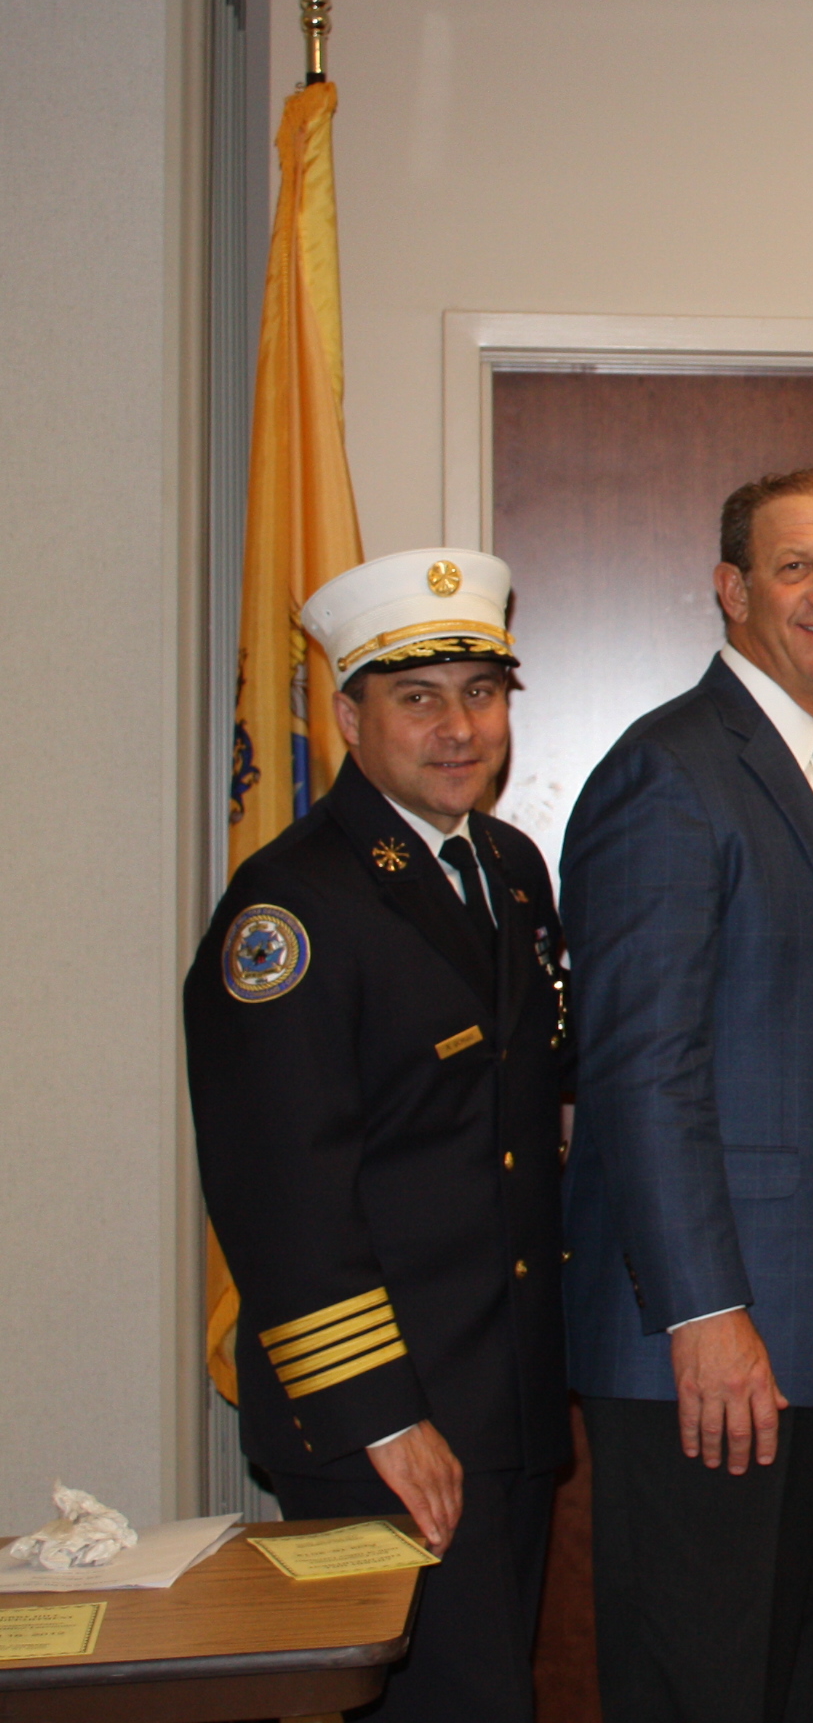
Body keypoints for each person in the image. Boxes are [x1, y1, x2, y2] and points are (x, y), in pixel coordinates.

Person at [562, 466, 813, 1723]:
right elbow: (639, 1071)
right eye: (794, 567)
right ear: (730, 589)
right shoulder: (667, 775)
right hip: (718, 1350)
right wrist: (705, 1311)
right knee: (706, 1686)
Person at [185, 549, 568, 1721]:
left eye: (481, 692)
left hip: (502, 1403)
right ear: (348, 714)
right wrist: (385, 1418)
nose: (459, 728)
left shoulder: (508, 869)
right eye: (418, 697)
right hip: (382, 1421)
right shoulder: (291, 908)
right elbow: (280, 1195)